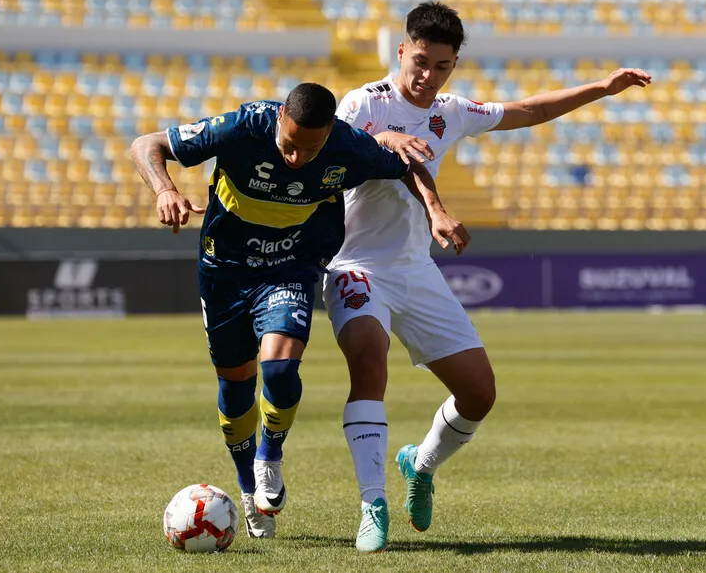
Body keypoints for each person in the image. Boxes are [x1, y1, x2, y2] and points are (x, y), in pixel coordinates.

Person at [324, 1, 652, 552]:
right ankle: (371, 503)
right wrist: (386, 141)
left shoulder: (449, 111)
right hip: (357, 265)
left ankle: (420, 465)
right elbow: (333, 145)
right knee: (367, 361)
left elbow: (527, 110)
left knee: (479, 394)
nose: (429, 77)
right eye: (421, 62)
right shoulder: (365, 102)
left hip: (414, 268)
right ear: (402, 52)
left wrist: (601, 88)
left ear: (454, 65)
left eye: (443, 66)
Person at [129, 82, 468, 540]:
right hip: (224, 272)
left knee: (281, 368)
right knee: (235, 385)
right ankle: (249, 493)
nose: (296, 159)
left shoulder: (345, 145)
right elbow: (145, 144)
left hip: (290, 268)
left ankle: (270, 456)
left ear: (330, 133)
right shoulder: (243, 125)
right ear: (279, 120)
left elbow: (404, 165)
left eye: (311, 150)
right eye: (289, 145)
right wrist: (164, 189)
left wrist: (434, 209)